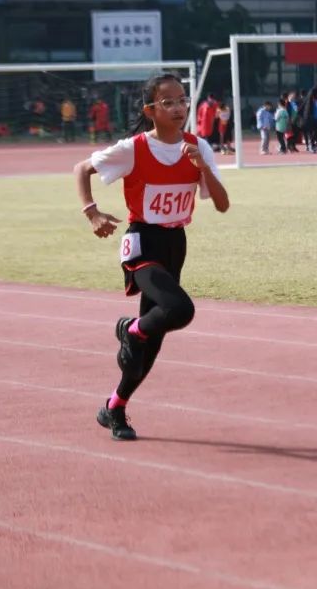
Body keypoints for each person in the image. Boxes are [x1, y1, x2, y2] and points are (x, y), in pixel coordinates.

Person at [73, 74, 230, 441]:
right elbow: (81, 169)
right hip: (143, 242)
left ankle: (114, 407)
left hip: (176, 244)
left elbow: (222, 205)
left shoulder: (198, 147)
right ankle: (129, 329)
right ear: (151, 110)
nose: (178, 109)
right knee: (180, 310)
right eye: (168, 103)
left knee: (150, 346)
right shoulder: (134, 148)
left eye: (182, 101)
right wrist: (92, 213)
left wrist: (202, 167)